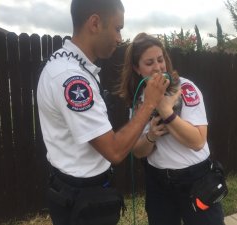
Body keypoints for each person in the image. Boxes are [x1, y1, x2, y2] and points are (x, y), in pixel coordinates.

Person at [36, 1, 169, 225]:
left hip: (77, 189)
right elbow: (115, 151)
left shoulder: (72, 64)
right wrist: (148, 105)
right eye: (117, 28)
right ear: (95, 23)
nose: (119, 38)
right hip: (82, 195)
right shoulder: (72, 79)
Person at [117, 32, 225, 225]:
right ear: (136, 68)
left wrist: (166, 110)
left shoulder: (185, 88)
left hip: (195, 179)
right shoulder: (138, 101)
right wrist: (150, 136)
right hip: (158, 182)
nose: (158, 67)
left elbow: (198, 141)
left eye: (160, 60)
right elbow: (138, 152)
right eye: (149, 63)